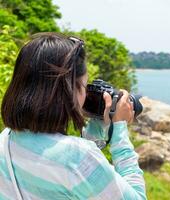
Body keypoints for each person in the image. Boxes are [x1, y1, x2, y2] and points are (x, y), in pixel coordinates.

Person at [0, 33, 146, 200]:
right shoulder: (77, 157)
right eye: (84, 86)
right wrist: (119, 130)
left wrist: (95, 131)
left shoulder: (6, 138)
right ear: (70, 91)